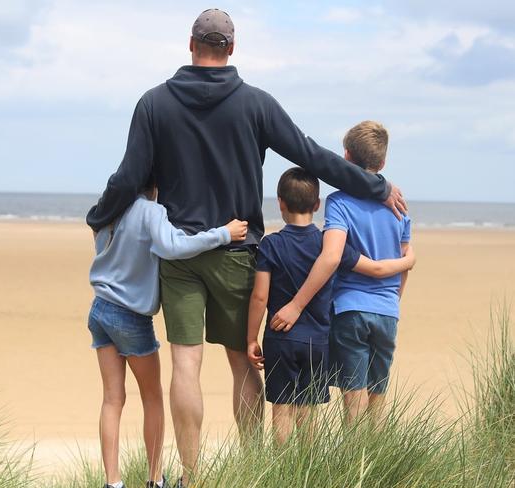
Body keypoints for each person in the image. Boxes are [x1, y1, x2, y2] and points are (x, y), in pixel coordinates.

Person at [86, 9, 407, 487]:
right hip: (240, 252)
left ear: (190, 44)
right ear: (231, 49)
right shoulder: (255, 103)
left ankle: (190, 479)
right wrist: (373, 186)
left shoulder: (154, 103)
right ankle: (254, 470)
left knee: (186, 364)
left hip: (181, 256)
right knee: (242, 360)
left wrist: (99, 215)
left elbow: (130, 177)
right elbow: (312, 155)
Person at [88, 174, 248, 488]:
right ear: (156, 183)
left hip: (99, 309)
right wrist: (223, 234)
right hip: (131, 316)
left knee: (111, 399)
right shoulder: (150, 211)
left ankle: (113, 482)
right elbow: (174, 245)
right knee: (152, 398)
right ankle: (155, 479)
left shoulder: (107, 210)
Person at [246, 167, 415, 444]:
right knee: (308, 411)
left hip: (280, 338)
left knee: (282, 409)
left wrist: (251, 338)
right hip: (318, 340)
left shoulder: (270, 244)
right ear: (316, 205)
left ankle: (281, 471)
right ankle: (308, 469)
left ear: (280, 203)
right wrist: (407, 261)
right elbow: (372, 267)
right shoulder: (329, 245)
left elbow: (260, 297)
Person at [269, 121, 412, 424]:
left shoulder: (339, 202)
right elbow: (404, 263)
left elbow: (332, 256)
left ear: (345, 158)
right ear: (383, 162)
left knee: (354, 399)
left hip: (350, 309)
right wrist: (392, 301)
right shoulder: (399, 207)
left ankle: (352, 465)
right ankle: (375, 461)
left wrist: (296, 305)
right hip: (388, 311)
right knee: (378, 395)